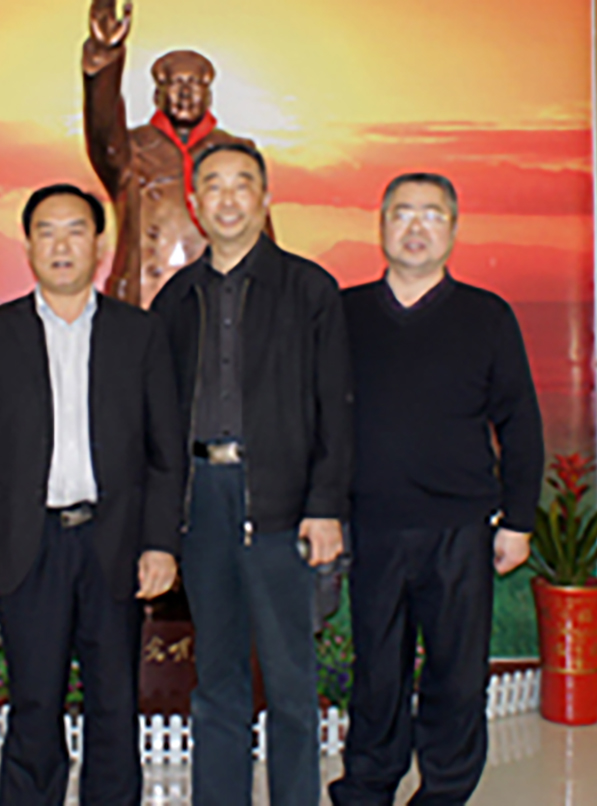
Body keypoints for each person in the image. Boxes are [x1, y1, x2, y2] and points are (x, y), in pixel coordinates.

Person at [0, 184, 185, 805]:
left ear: (98, 245)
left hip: (113, 541)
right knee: (33, 701)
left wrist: (160, 543)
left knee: (114, 701)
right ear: (29, 246)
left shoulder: (139, 333)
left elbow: (165, 453)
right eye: (47, 231)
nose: (62, 245)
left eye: (76, 230)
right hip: (29, 545)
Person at [328, 173, 544, 806]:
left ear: (453, 228)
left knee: (457, 673)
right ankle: (368, 784)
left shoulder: (487, 315)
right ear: (382, 225)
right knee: (376, 672)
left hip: (460, 527)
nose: (416, 227)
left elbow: (520, 422)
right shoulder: (343, 313)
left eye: (431, 214)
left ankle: (446, 790)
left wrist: (519, 521)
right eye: (403, 213)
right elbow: (317, 420)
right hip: (372, 525)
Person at [151, 143, 353, 806]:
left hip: (283, 502)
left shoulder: (310, 289)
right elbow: (157, 424)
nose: (228, 198)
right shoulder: (175, 300)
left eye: (243, 184)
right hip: (202, 502)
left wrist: (325, 506)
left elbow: (336, 407)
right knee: (217, 681)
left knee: (292, 684)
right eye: (213, 185)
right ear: (194, 203)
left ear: (265, 198)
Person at [83, 0, 272, 306]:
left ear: (208, 94)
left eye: (194, 84)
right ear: (157, 94)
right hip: (142, 303)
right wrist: (105, 54)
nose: (185, 92)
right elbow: (102, 128)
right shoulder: (131, 149)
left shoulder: (236, 152)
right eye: (176, 83)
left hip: (220, 308)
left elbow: (262, 240)